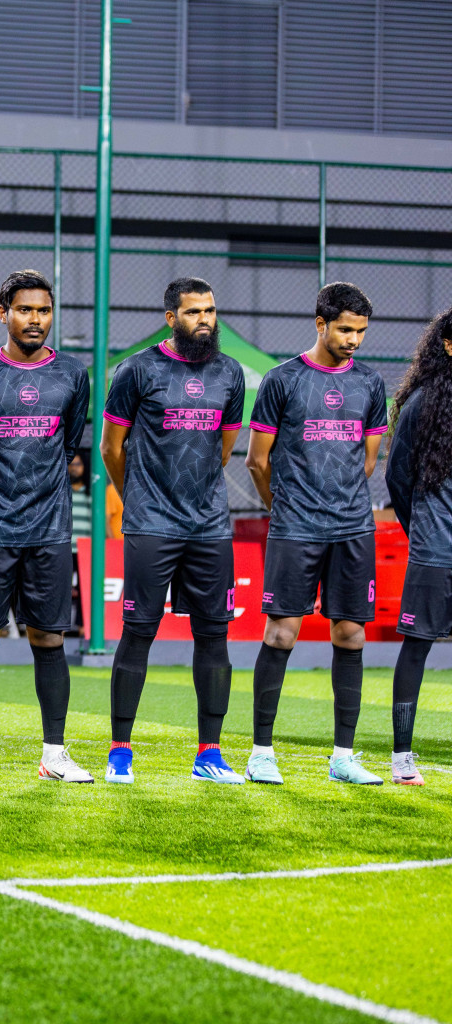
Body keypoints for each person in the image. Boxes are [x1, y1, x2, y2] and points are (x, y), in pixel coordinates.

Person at [0, 270, 91, 784]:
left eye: (44, 311)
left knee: (50, 640)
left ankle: (54, 753)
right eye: (25, 310)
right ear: (3, 313)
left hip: (48, 530)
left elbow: (69, 445)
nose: (35, 320)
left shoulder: (73, 374)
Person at [99, 278, 247, 784]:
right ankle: (120, 751)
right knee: (138, 632)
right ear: (170, 317)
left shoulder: (230, 373)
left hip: (208, 525)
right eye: (192, 312)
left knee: (214, 634)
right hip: (152, 522)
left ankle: (210, 753)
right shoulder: (138, 370)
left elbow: (224, 448)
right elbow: (111, 448)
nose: (204, 320)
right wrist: (139, 495)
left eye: (209, 311)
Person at [245, 282, 387, 786]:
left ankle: (343, 756)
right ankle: (261, 752)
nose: (353, 339)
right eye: (345, 329)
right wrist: (283, 508)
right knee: (281, 632)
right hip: (295, 526)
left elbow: (366, 462)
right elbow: (256, 461)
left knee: (350, 634)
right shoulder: (282, 380)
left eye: (361, 332)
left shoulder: (370, 384)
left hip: (352, 527)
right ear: (320, 323)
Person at [384, 306, 452, 787]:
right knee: (417, 648)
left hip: (433, 546)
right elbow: (397, 477)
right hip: (435, 551)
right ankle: (402, 757)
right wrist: (423, 531)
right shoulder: (422, 403)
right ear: (447, 345)